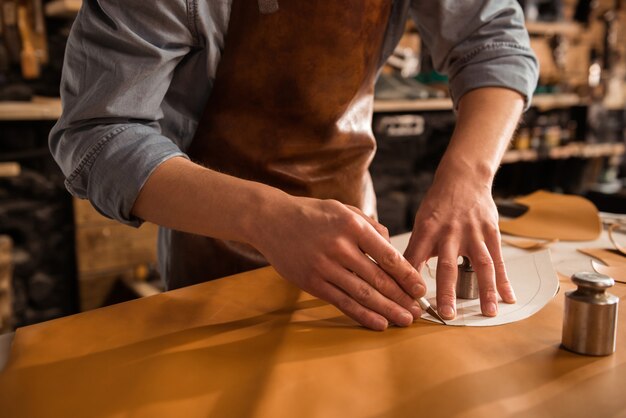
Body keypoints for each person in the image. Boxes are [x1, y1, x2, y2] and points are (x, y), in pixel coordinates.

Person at [49, 0, 538, 331]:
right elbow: (97, 135)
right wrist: (266, 217)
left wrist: (468, 178)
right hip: (212, 253)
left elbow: (492, 41)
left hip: (360, 240)